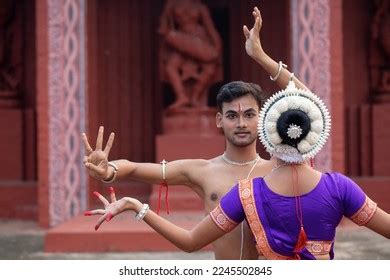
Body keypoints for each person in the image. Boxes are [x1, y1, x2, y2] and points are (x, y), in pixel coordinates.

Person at [84, 7, 390, 260]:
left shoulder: (283, 165)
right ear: (219, 120)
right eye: (232, 116)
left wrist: (261, 57)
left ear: (264, 119)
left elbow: (309, 108)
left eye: (249, 115)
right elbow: (137, 169)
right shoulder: (201, 171)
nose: (241, 123)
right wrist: (109, 170)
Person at [158, 0, 222, 109]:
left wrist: (217, 47)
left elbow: (210, 29)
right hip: (180, 40)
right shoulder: (172, 3)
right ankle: (181, 96)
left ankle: (195, 97)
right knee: (170, 67)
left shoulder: (199, 6)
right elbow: (164, 25)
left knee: (210, 68)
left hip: (199, 40)